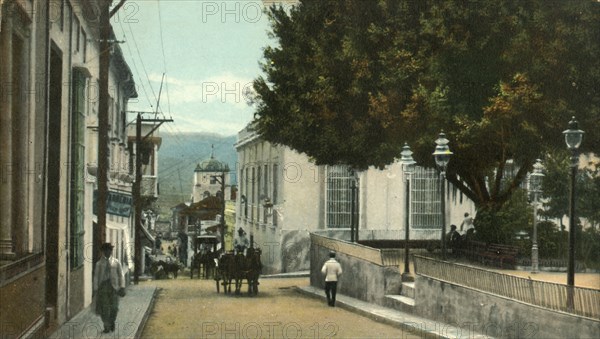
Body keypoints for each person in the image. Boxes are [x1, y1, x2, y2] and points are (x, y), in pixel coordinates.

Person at [94, 243, 126, 333]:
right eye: (105, 250)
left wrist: (122, 287)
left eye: (109, 250)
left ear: (111, 251)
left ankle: (112, 322)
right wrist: (96, 288)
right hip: (103, 287)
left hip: (114, 287)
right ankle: (106, 326)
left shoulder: (116, 262)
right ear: (103, 252)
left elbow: (121, 275)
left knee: (114, 307)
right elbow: (96, 276)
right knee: (104, 308)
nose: (108, 252)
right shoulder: (99, 263)